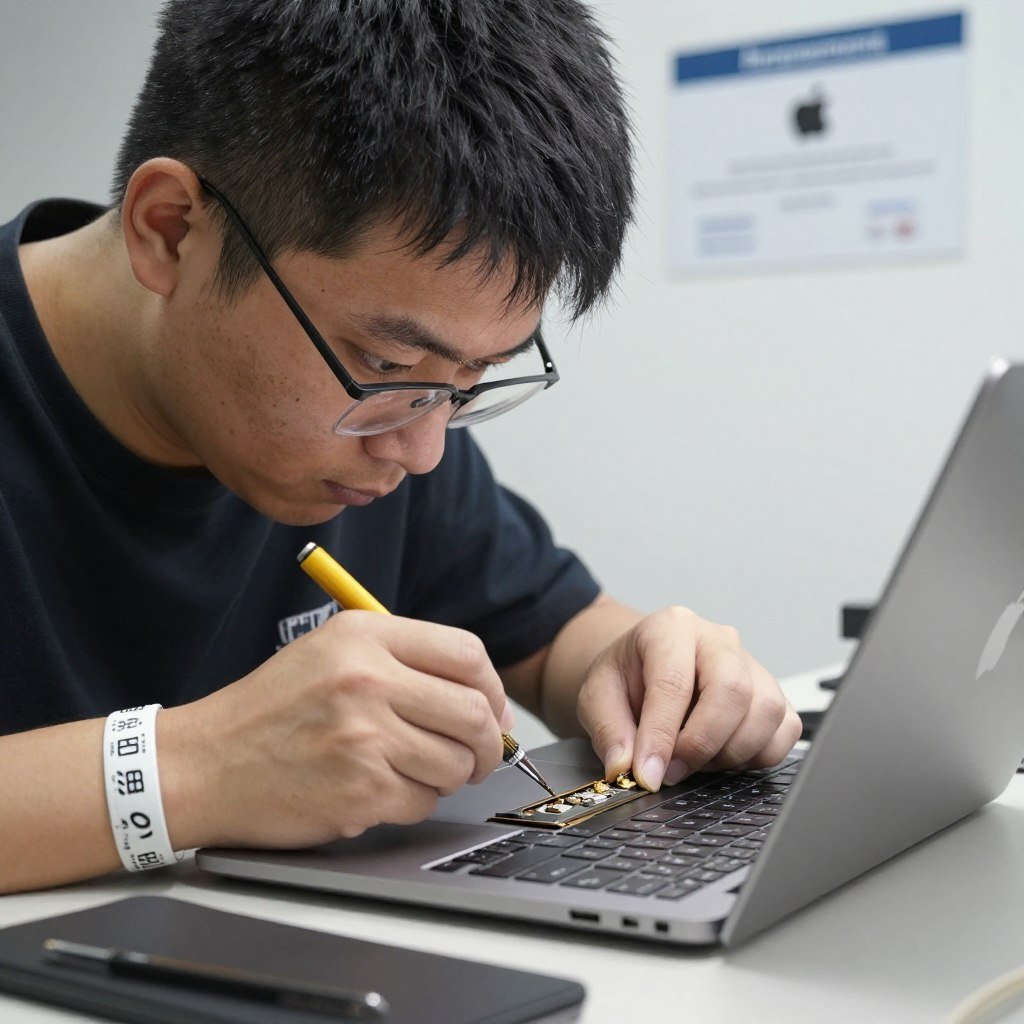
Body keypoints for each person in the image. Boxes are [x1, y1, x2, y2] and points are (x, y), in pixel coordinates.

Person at [0, 0, 801, 894]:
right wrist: (195, 768)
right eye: (384, 361)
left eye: (469, 382)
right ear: (169, 228)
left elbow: (555, 630)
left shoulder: (393, 423)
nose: (422, 449)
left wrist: (656, 675)